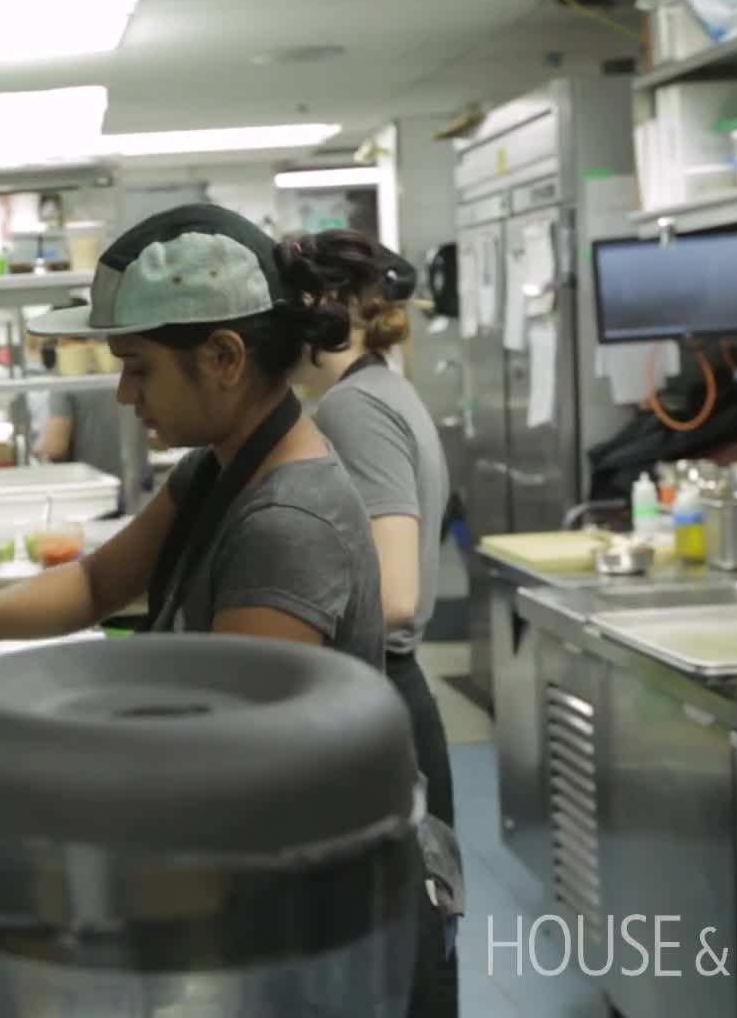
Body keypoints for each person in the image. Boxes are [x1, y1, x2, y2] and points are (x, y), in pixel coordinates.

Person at [0, 202, 387, 740]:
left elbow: (229, 753)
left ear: (225, 359)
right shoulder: (214, 471)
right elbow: (96, 583)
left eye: (139, 367)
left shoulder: (289, 524)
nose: (124, 392)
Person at [280, 230, 459, 1018]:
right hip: (396, 698)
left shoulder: (355, 409)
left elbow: (392, 593)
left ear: (319, 312)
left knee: (402, 963)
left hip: (382, 698)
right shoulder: (381, 390)